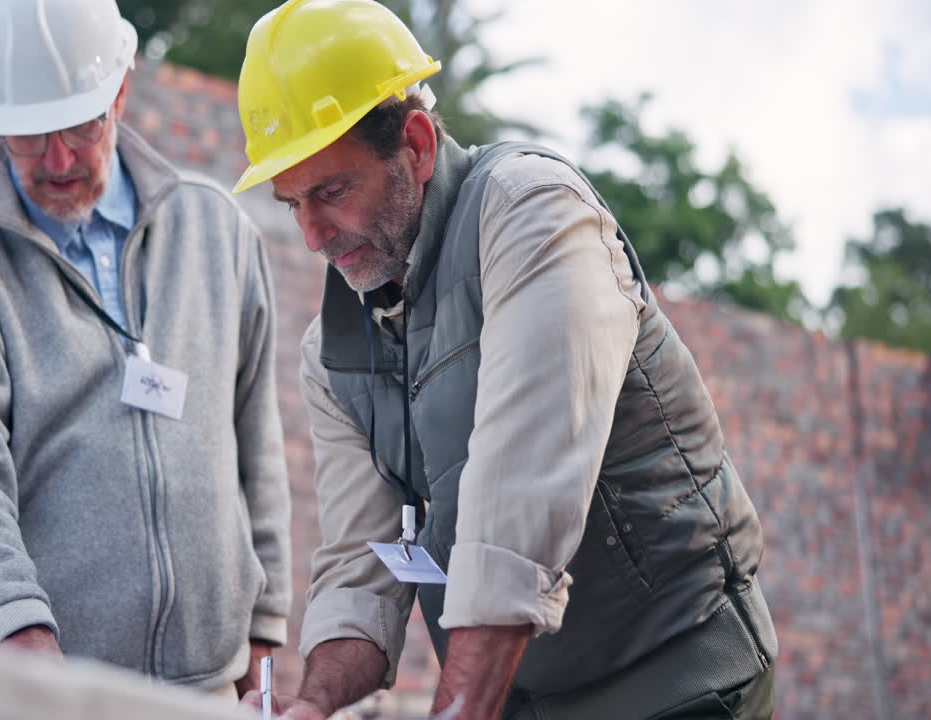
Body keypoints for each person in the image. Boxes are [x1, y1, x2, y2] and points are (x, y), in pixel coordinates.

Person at [231, 1, 777, 718]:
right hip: (534, 697)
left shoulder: (534, 214)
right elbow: (362, 565)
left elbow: (518, 501)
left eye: (332, 192)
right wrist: (313, 703)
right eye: (292, 203)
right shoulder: (331, 353)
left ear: (418, 144)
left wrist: (457, 710)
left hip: (677, 677)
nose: (312, 236)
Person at [0, 0, 291, 698]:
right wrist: (15, 632)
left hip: (209, 692)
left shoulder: (218, 232)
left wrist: (264, 631)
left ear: (121, 88)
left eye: (78, 124)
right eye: (28, 137)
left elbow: (258, 442)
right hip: (32, 692)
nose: (59, 159)